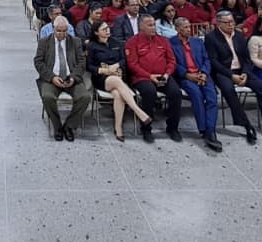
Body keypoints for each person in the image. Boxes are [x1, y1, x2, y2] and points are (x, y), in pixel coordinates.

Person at [205, 11, 262, 144]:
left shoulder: (239, 35)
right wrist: (232, 76)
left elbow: (246, 58)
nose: (231, 25)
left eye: (232, 22)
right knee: (229, 90)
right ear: (219, 24)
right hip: (223, 72)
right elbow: (214, 61)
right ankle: (246, 125)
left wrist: (245, 72)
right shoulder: (211, 37)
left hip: (242, 70)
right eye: (227, 23)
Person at [87, 21, 151, 142]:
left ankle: (118, 128)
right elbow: (89, 66)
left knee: (118, 94)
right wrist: (105, 70)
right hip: (101, 78)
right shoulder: (92, 46)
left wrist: (116, 66)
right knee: (115, 80)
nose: (107, 30)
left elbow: (124, 60)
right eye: (104, 29)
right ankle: (138, 111)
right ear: (96, 32)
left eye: (108, 28)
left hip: (117, 74)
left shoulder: (116, 42)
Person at [125, 14, 183, 144]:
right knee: (149, 92)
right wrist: (149, 76)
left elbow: (171, 60)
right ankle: (146, 129)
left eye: (154, 25)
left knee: (176, 93)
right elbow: (132, 65)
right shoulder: (132, 42)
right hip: (142, 77)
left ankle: (172, 128)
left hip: (163, 75)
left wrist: (167, 74)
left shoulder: (163, 41)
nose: (153, 28)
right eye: (150, 25)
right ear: (141, 26)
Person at [34, 16, 91, 142]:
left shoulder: (75, 42)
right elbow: (38, 62)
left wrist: (73, 77)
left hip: (71, 78)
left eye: (64, 31)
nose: (62, 34)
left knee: (85, 97)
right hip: (52, 78)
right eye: (59, 31)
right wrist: (52, 77)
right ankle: (57, 127)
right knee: (47, 97)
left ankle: (69, 126)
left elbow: (82, 62)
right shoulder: (44, 42)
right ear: (53, 29)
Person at [169, 18, 221, 152]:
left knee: (212, 97)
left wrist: (204, 73)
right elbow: (173, 63)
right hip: (186, 77)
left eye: (189, 27)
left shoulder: (198, 42)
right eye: (185, 27)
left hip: (202, 74)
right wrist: (187, 75)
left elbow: (206, 60)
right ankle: (203, 129)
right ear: (177, 29)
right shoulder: (171, 43)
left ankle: (210, 130)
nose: (189, 30)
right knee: (197, 96)